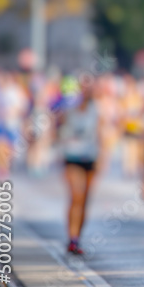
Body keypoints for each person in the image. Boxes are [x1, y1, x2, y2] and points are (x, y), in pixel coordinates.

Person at [57, 76, 103, 255]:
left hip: (90, 157)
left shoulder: (97, 109)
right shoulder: (68, 107)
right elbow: (57, 126)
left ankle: (77, 238)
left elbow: (102, 134)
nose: (86, 92)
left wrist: (102, 159)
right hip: (72, 156)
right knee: (76, 196)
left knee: (85, 200)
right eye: (83, 88)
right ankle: (72, 238)